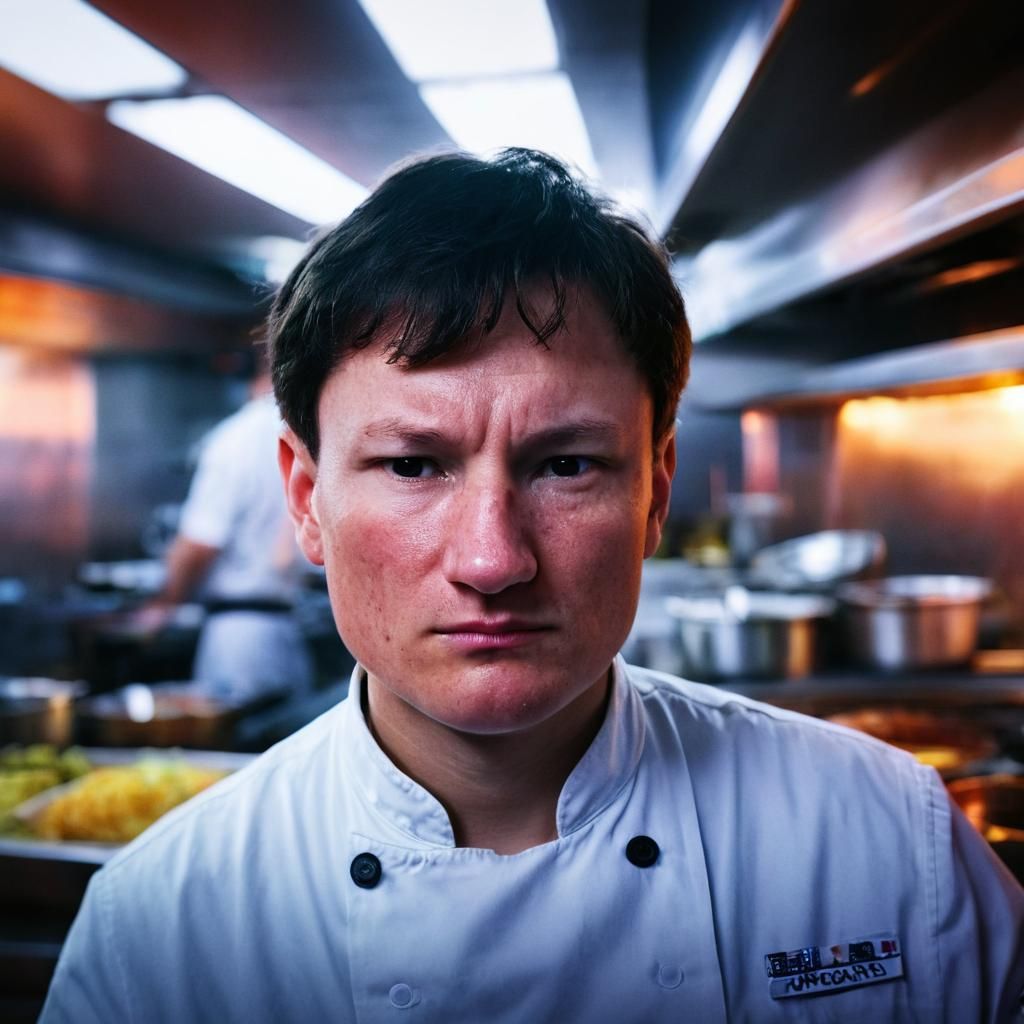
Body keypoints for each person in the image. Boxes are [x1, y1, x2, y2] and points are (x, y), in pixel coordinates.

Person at [42, 149, 1023, 1023]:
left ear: (656, 491)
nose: (492, 559)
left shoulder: (891, 847)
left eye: (567, 466)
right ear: (305, 497)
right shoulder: (158, 930)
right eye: (414, 466)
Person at [146, 359, 313, 702]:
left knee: (241, 743)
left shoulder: (233, 440)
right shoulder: (306, 433)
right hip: (286, 630)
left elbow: (201, 541)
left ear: (250, 380)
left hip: (238, 640)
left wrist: (163, 603)